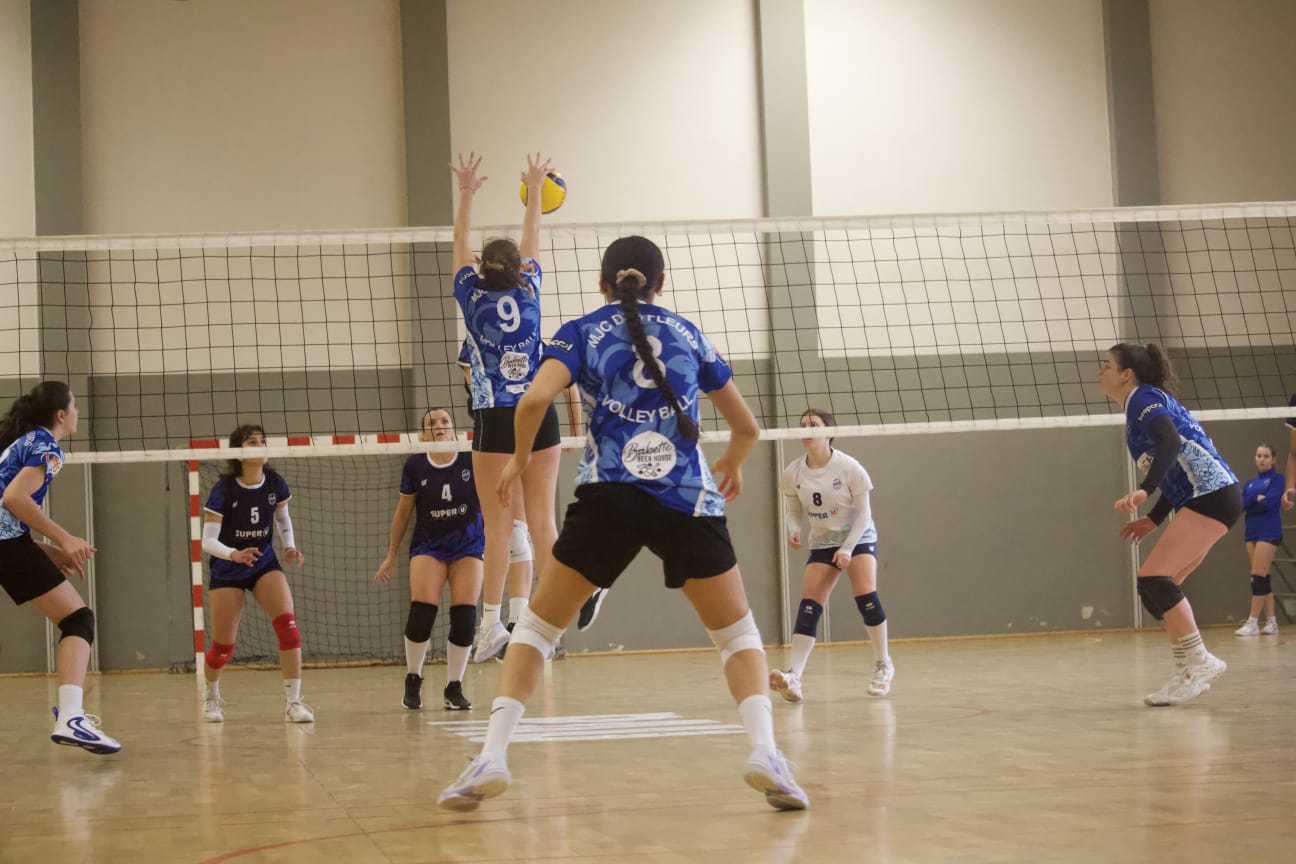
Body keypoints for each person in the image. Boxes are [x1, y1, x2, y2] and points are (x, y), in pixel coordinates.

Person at [436, 235, 808, 812]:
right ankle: (765, 752)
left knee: (535, 629)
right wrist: (731, 462)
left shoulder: (582, 330)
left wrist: (515, 461)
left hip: (609, 495)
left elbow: (533, 401)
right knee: (737, 637)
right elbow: (748, 427)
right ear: (660, 283)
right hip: (686, 498)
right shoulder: (687, 333)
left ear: (603, 284)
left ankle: (493, 756)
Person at [449, 152, 562, 662]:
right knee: (542, 523)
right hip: (540, 412)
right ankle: (558, 612)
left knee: (497, 528)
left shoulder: (471, 298)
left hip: (494, 417)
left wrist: (467, 192)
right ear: (519, 270)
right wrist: (534, 191)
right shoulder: (533, 289)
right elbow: (533, 236)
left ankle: (491, 625)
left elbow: (456, 248)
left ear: (479, 269)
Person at [1099, 343, 1241, 706]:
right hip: (1207, 495)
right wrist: (1154, 517)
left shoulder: (1144, 398)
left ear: (1126, 374)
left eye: (1106, 365)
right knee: (1159, 587)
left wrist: (1144, 491)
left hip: (1211, 493)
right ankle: (1186, 673)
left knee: (1154, 579)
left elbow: (1172, 441)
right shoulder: (1142, 404)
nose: (1100, 372)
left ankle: (1202, 660)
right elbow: (1177, 467)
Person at [0, 382, 119, 754]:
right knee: (78, 620)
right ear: (61, 415)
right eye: (76, 405)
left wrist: (43, 550)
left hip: (8, 542)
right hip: (6, 544)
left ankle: (72, 716)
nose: (79, 411)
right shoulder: (47, 446)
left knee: (76, 619)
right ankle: (71, 717)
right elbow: (14, 498)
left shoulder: (23, 443)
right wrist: (66, 539)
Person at [771, 408, 893, 703]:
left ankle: (883, 664)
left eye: (813, 424)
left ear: (828, 432)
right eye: (802, 425)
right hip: (823, 540)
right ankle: (794, 677)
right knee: (809, 604)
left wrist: (848, 549)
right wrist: (794, 528)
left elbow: (865, 516)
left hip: (858, 536)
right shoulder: (792, 472)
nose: (806, 429)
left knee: (865, 596)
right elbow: (793, 507)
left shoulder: (849, 468)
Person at [200, 424, 313, 723]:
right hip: (228, 568)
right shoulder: (224, 489)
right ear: (238, 451)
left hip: (263, 564)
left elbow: (282, 516)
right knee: (222, 649)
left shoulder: (274, 482)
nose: (261, 445)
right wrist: (234, 554)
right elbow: (208, 541)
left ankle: (293, 702)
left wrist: (289, 547)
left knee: (288, 627)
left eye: (263, 440)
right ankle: (211, 695)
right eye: (252, 442)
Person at [374, 408, 482, 709]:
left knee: (464, 614)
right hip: (429, 546)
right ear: (424, 434)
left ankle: (453, 686)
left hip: (469, 544)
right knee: (422, 611)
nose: (439, 426)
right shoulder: (416, 466)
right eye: (432, 423)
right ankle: (413, 678)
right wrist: (391, 554)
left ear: (454, 428)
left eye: (445, 421)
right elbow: (403, 512)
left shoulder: (472, 458)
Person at [1236, 443, 1282, 636]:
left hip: (1269, 531)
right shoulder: (1250, 484)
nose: (1262, 459)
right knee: (1263, 576)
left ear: (1273, 460)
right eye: (1259, 455)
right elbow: (1241, 505)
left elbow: (1270, 503)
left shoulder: (1277, 480)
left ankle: (1253, 621)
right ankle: (1271, 622)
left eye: (1266, 456)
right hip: (1251, 532)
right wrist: (1256, 500)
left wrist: (1253, 502)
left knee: (1257, 576)